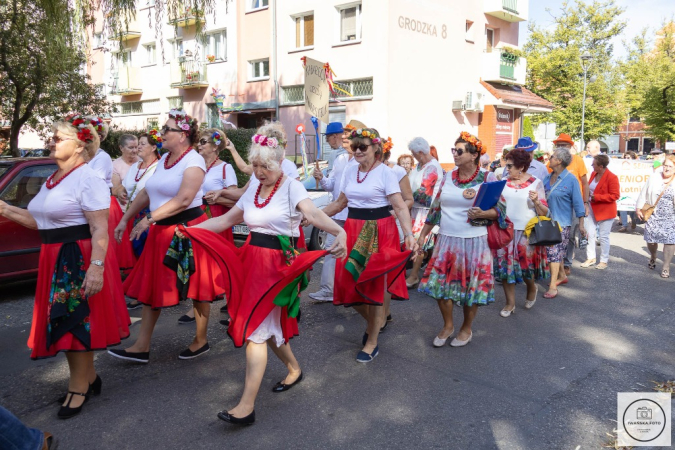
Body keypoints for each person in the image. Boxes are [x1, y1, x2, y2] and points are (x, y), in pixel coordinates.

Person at [176, 122, 348, 426]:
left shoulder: (292, 185)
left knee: (256, 331)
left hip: (277, 267)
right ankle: (294, 369)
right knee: (264, 327)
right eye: (254, 165)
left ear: (279, 161)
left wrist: (338, 231)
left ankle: (246, 406)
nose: (258, 172)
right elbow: (226, 220)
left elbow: (312, 213)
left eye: (264, 166)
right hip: (251, 264)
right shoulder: (254, 186)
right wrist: (189, 230)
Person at [0, 115, 130, 418]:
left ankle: (79, 385)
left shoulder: (89, 178)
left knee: (74, 321)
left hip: (76, 257)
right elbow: (40, 221)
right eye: (52, 136)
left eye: (58, 138)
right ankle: (89, 378)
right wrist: (5, 208)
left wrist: (96, 268)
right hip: (53, 256)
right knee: (66, 320)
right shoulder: (53, 178)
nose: (51, 141)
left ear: (80, 144)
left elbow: (100, 229)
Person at [108, 109, 226, 363]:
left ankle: (201, 340)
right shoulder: (164, 160)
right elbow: (147, 192)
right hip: (162, 231)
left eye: (166, 129)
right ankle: (141, 346)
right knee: (153, 286)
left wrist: (149, 219)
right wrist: (126, 219)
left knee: (198, 286)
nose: (161, 134)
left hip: (189, 229)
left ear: (182, 135)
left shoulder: (193, 161)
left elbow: (184, 199)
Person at [322, 127, 417, 363]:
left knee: (374, 286)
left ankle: (372, 340)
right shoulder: (350, 170)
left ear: (376, 148)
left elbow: (400, 205)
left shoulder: (386, 172)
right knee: (346, 283)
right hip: (353, 228)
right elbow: (340, 202)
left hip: (379, 230)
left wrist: (409, 234)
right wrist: (311, 215)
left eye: (362, 146)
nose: (357, 151)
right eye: (354, 147)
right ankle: (376, 322)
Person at [417, 132, 507, 347]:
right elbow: (435, 208)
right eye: (453, 150)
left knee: (470, 290)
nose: (455, 154)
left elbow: (501, 210)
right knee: (440, 287)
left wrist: (484, 214)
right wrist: (422, 235)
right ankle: (448, 325)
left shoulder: (488, 177)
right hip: (447, 240)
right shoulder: (448, 176)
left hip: (476, 241)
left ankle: (466, 327)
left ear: (474, 155)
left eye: (459, 151)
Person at [494, 149, 550, 316]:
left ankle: (531, 287)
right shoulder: (502, 182)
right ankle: (510, 303)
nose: (506, 168)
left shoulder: (535, 182)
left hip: (526, 232)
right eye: (506, 164)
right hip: (505, 231)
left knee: (526, 267)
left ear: (521, 167)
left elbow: (544, 212)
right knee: (506, 269)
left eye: (510, 165)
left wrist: (536, 202)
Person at [309, 132, 355, 302]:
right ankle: (327, 290)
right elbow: (330, 185)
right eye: (343, 137)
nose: (344, 139)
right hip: (336, 214)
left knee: (352, 254)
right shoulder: (340, 160)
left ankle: (351, 291)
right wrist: (321, 178)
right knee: (330, 251)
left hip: (354, 216)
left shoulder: (361, 162)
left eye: (347, 137)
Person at [86, 116, 136, 275]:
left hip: (103, 204)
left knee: (105, 247)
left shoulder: (102, 157)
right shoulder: (86, 156)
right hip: (96, 204)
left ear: (98, 137)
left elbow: (95, 184)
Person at [121, 130, 161, 311]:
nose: (138, 148)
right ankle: (142, 289)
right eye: (138, 144)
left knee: (146, 253)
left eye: (142, 144)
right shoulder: (135, 167)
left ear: (154, 147)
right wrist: (119, 189)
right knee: (136, 254)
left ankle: (147, 291)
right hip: (132, 213)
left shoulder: (159, 166)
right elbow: (126, 185)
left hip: (148, 214)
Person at [542, 148, 586, 298]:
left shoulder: (571, 179)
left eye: (552, 156)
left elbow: (579, 204)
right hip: (546, 222)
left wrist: (581, 224)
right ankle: (562, 276)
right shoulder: (547, 179)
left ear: (559, 161)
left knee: (554, 253)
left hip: (562, 223)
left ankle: (553, 285)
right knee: (556, 252)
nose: (550, 157)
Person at [404, 136, 444, 288]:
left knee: (420, 243)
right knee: (415, 242)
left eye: (414, 154)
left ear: (421, 152)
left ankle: (414, 275)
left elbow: (424, 195)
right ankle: (416, 273)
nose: (413, 157)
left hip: (426, 212)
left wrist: (405, 197)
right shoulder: (420, 166)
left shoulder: (432, 167)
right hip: (415, 209)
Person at [551, 133, 589, 276]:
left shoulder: (578, 160)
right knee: (554, 235)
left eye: (564, 144)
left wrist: (585, 203)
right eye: (559, 144)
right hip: (557, 203)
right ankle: (556, 263)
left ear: (570, 146)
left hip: (574, 203)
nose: (561, 147)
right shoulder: (553, 162)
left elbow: (584, 183)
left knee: (571, 235)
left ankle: (566, 263)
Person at [636, 155, 675, 278]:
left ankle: (666, 266)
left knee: (670, 241)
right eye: (665, 165)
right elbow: (644, 193)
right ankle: (653, 255)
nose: (667, 168)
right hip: (653, 214)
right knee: (651, 240)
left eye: (670, 166)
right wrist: (638, 207)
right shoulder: (654, 177)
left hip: (671, 216)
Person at [580, 154, 620, 270]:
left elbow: (615, 195)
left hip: (605, 211)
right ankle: (591, 257)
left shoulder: (612, 177)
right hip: (592, 207)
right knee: (589, 233)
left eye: (594, 164)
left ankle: (604, 260)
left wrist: (597, 197)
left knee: (603, 236)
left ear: (601, 166)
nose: (592, 165)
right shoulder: (594, 174)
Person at [111, 134, 139, 206]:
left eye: (136, 147)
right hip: (125, 208)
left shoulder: (143, 161)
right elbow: (114, 190)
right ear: (121, 148)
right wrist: (121, 192)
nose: (135, 150)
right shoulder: (115, 165)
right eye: (131, 148)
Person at [619, 151, 639, 232]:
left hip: (633, 190)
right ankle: (624, 225)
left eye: (628, 158)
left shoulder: (637, 167)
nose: (626, 159)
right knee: (622, 206)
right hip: (623, 190)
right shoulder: (621, 166)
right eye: (625, 158)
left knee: (632, 209)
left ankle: (633, 221)